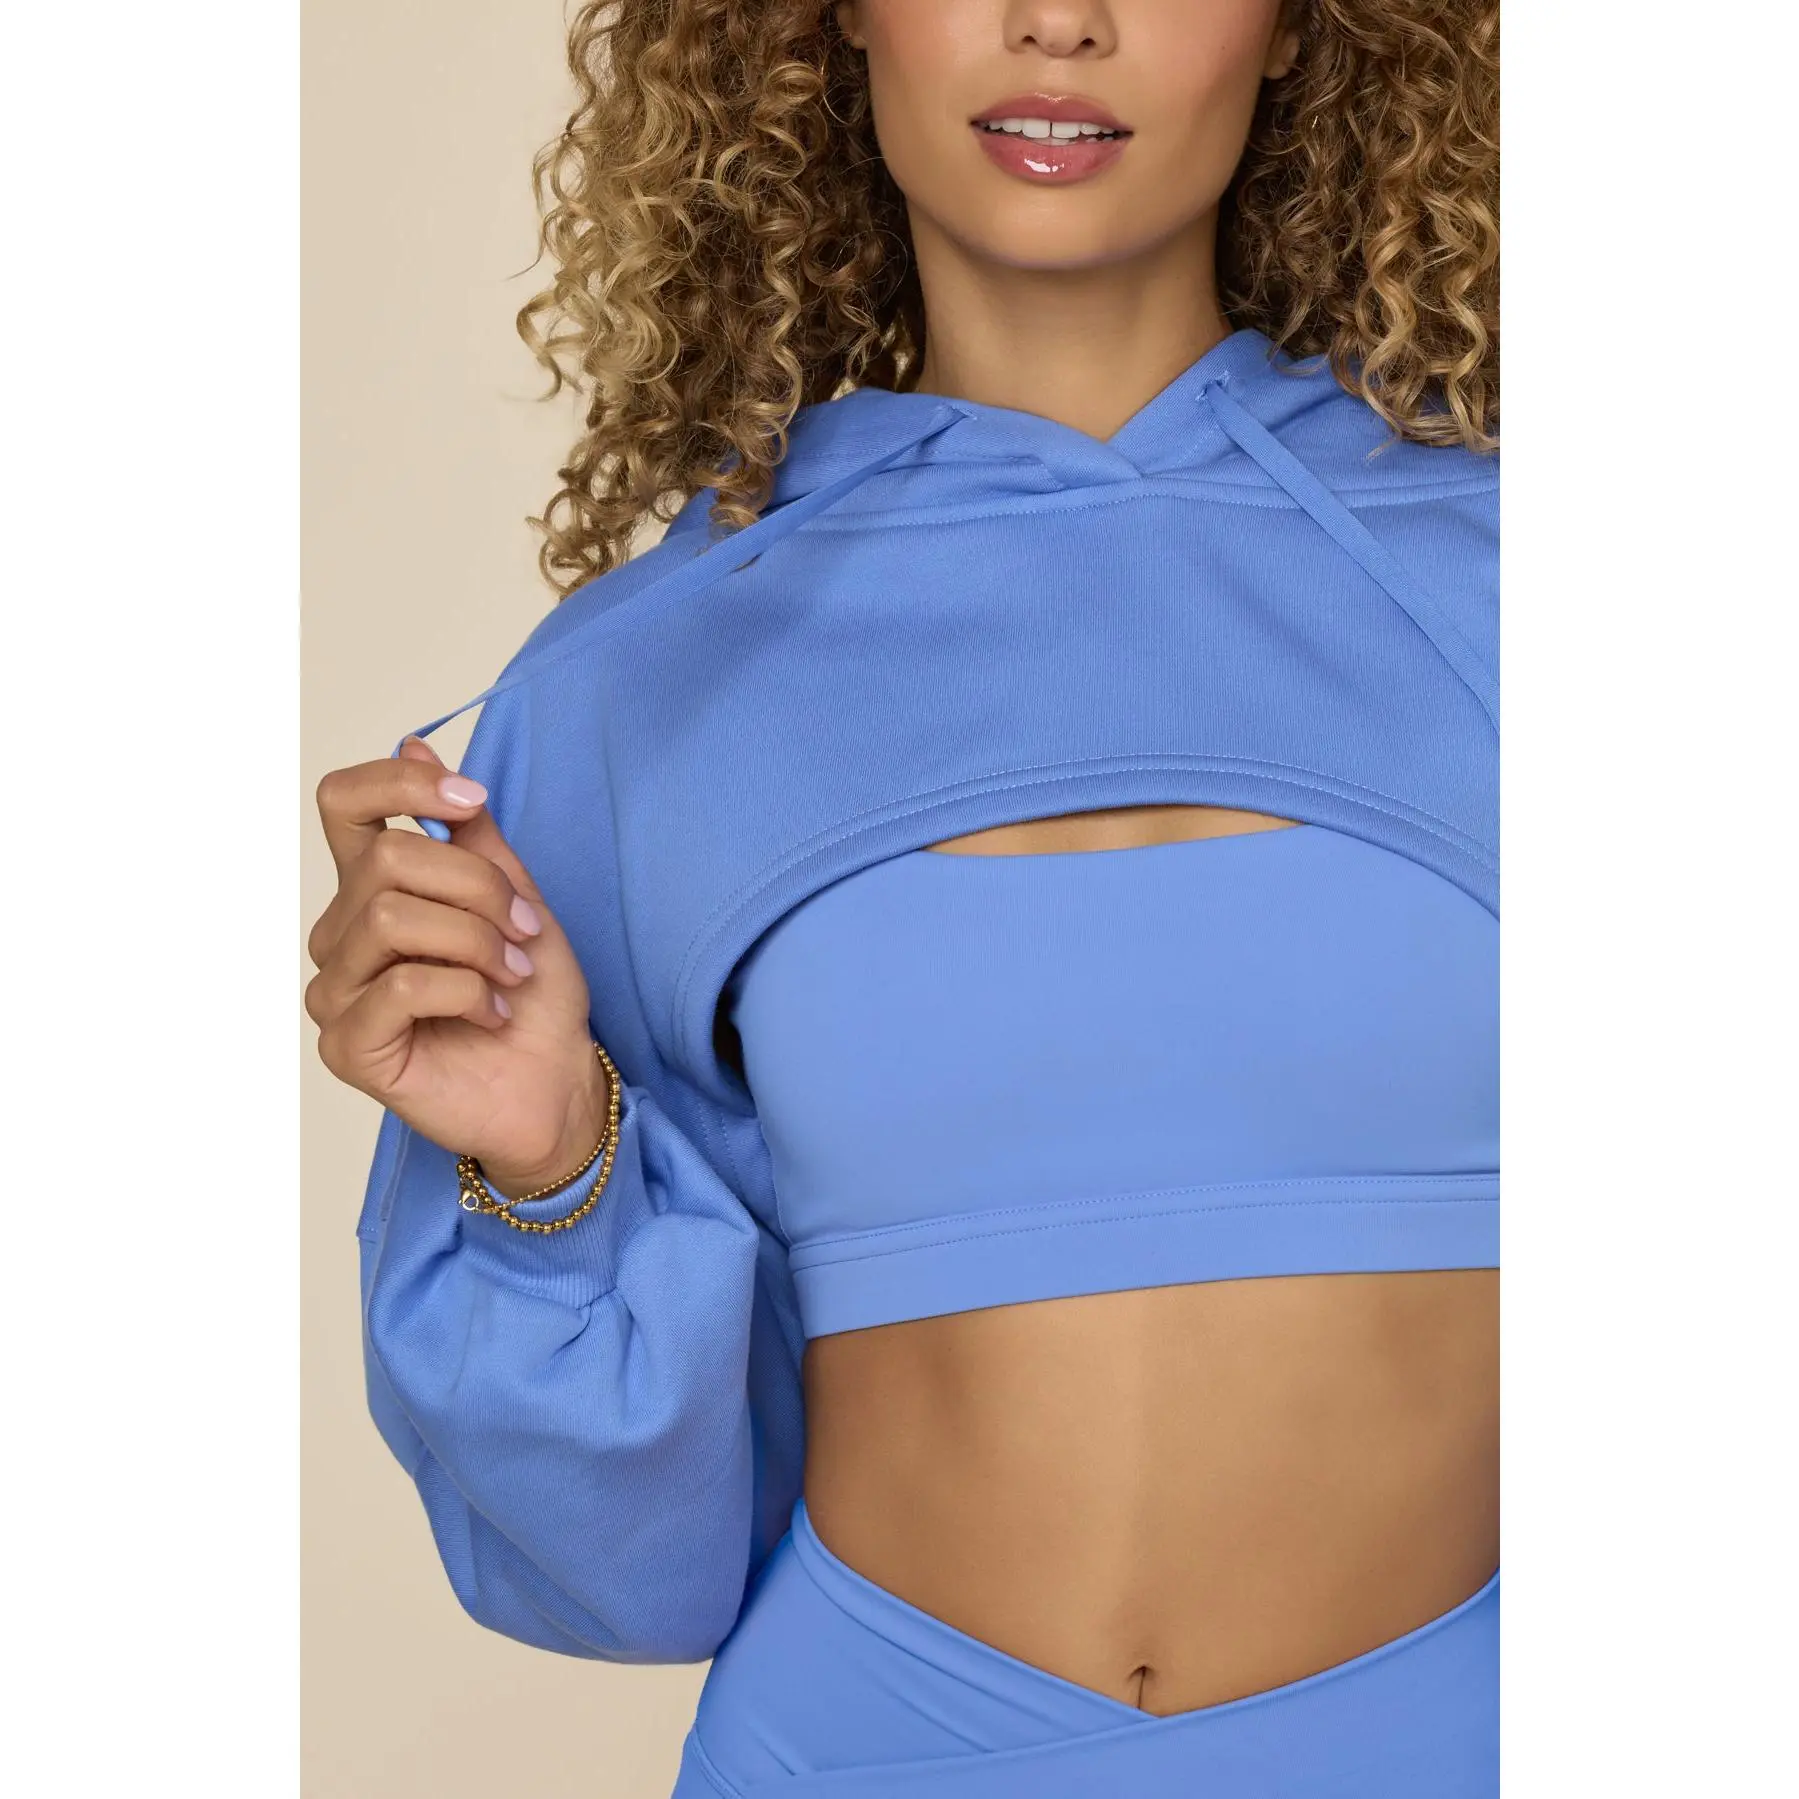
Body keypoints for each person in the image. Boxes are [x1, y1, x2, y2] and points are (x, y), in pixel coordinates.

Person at [305, 1, 1499, 1792]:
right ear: (837, 16)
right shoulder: (650, 678)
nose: (1056, 19)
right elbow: (633, 1577)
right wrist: (550, 1168)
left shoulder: (1525, 602)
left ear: (1292, 28)